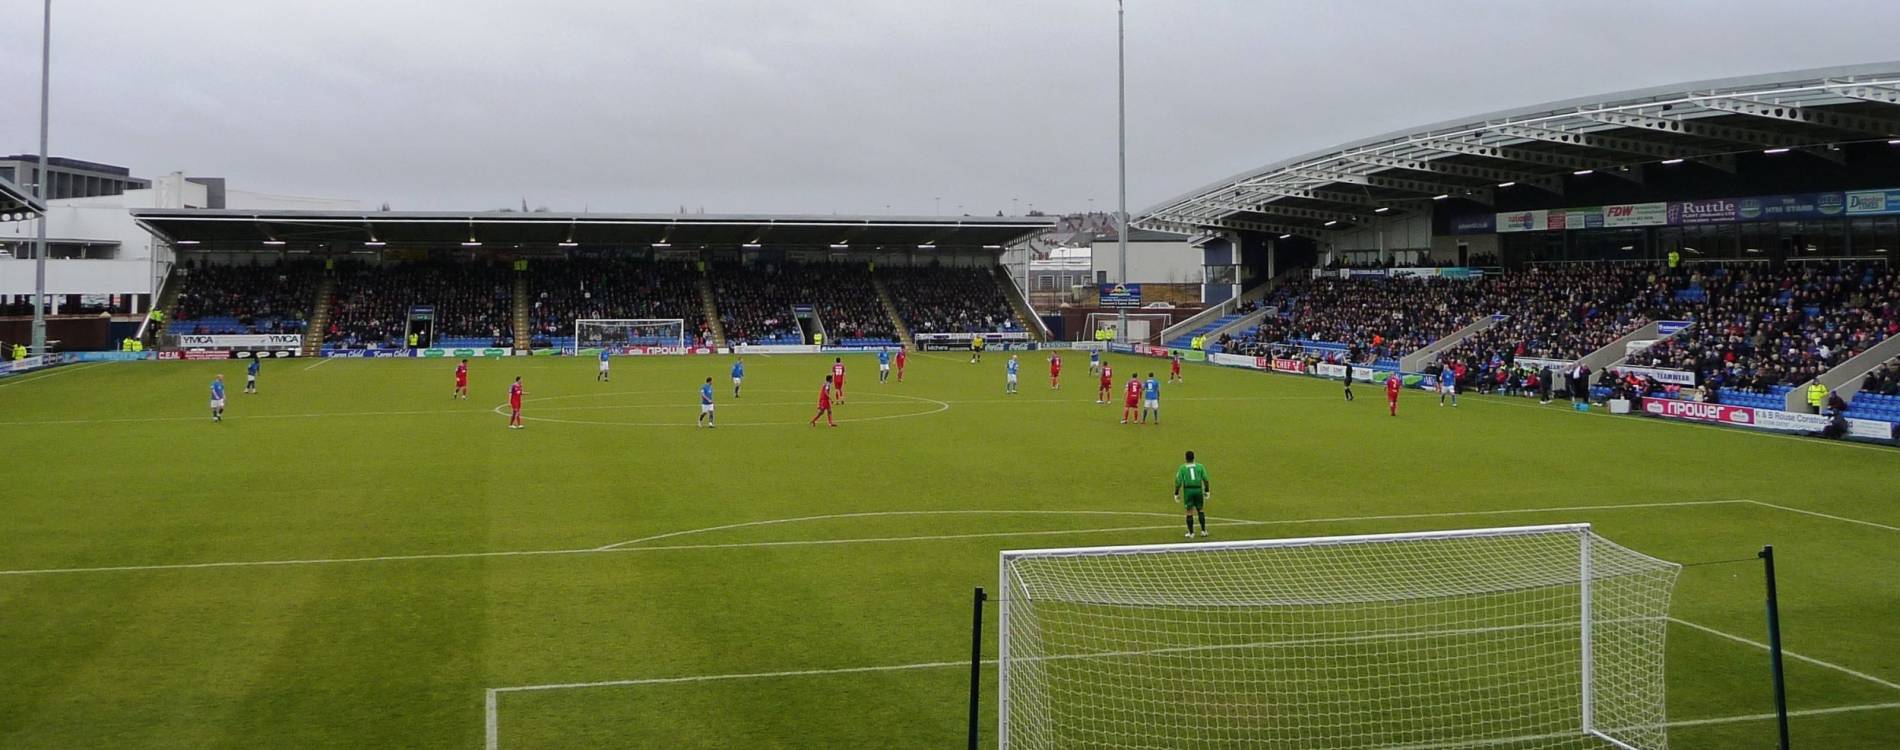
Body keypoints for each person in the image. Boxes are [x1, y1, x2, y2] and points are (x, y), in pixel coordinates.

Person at [1173, 450, 1210, 539]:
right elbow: (1206, 479)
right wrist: (1207, 490)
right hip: (1198, 490)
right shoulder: (1200, 466)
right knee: (1200, 509)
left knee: (1189, 511)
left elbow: (1178, 482)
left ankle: (1191, 533)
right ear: (1194, 458)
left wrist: (1176, 492)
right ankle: (1203, 531)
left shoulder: (1182, 468)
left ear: (1185, 458)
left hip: (1188, 491)